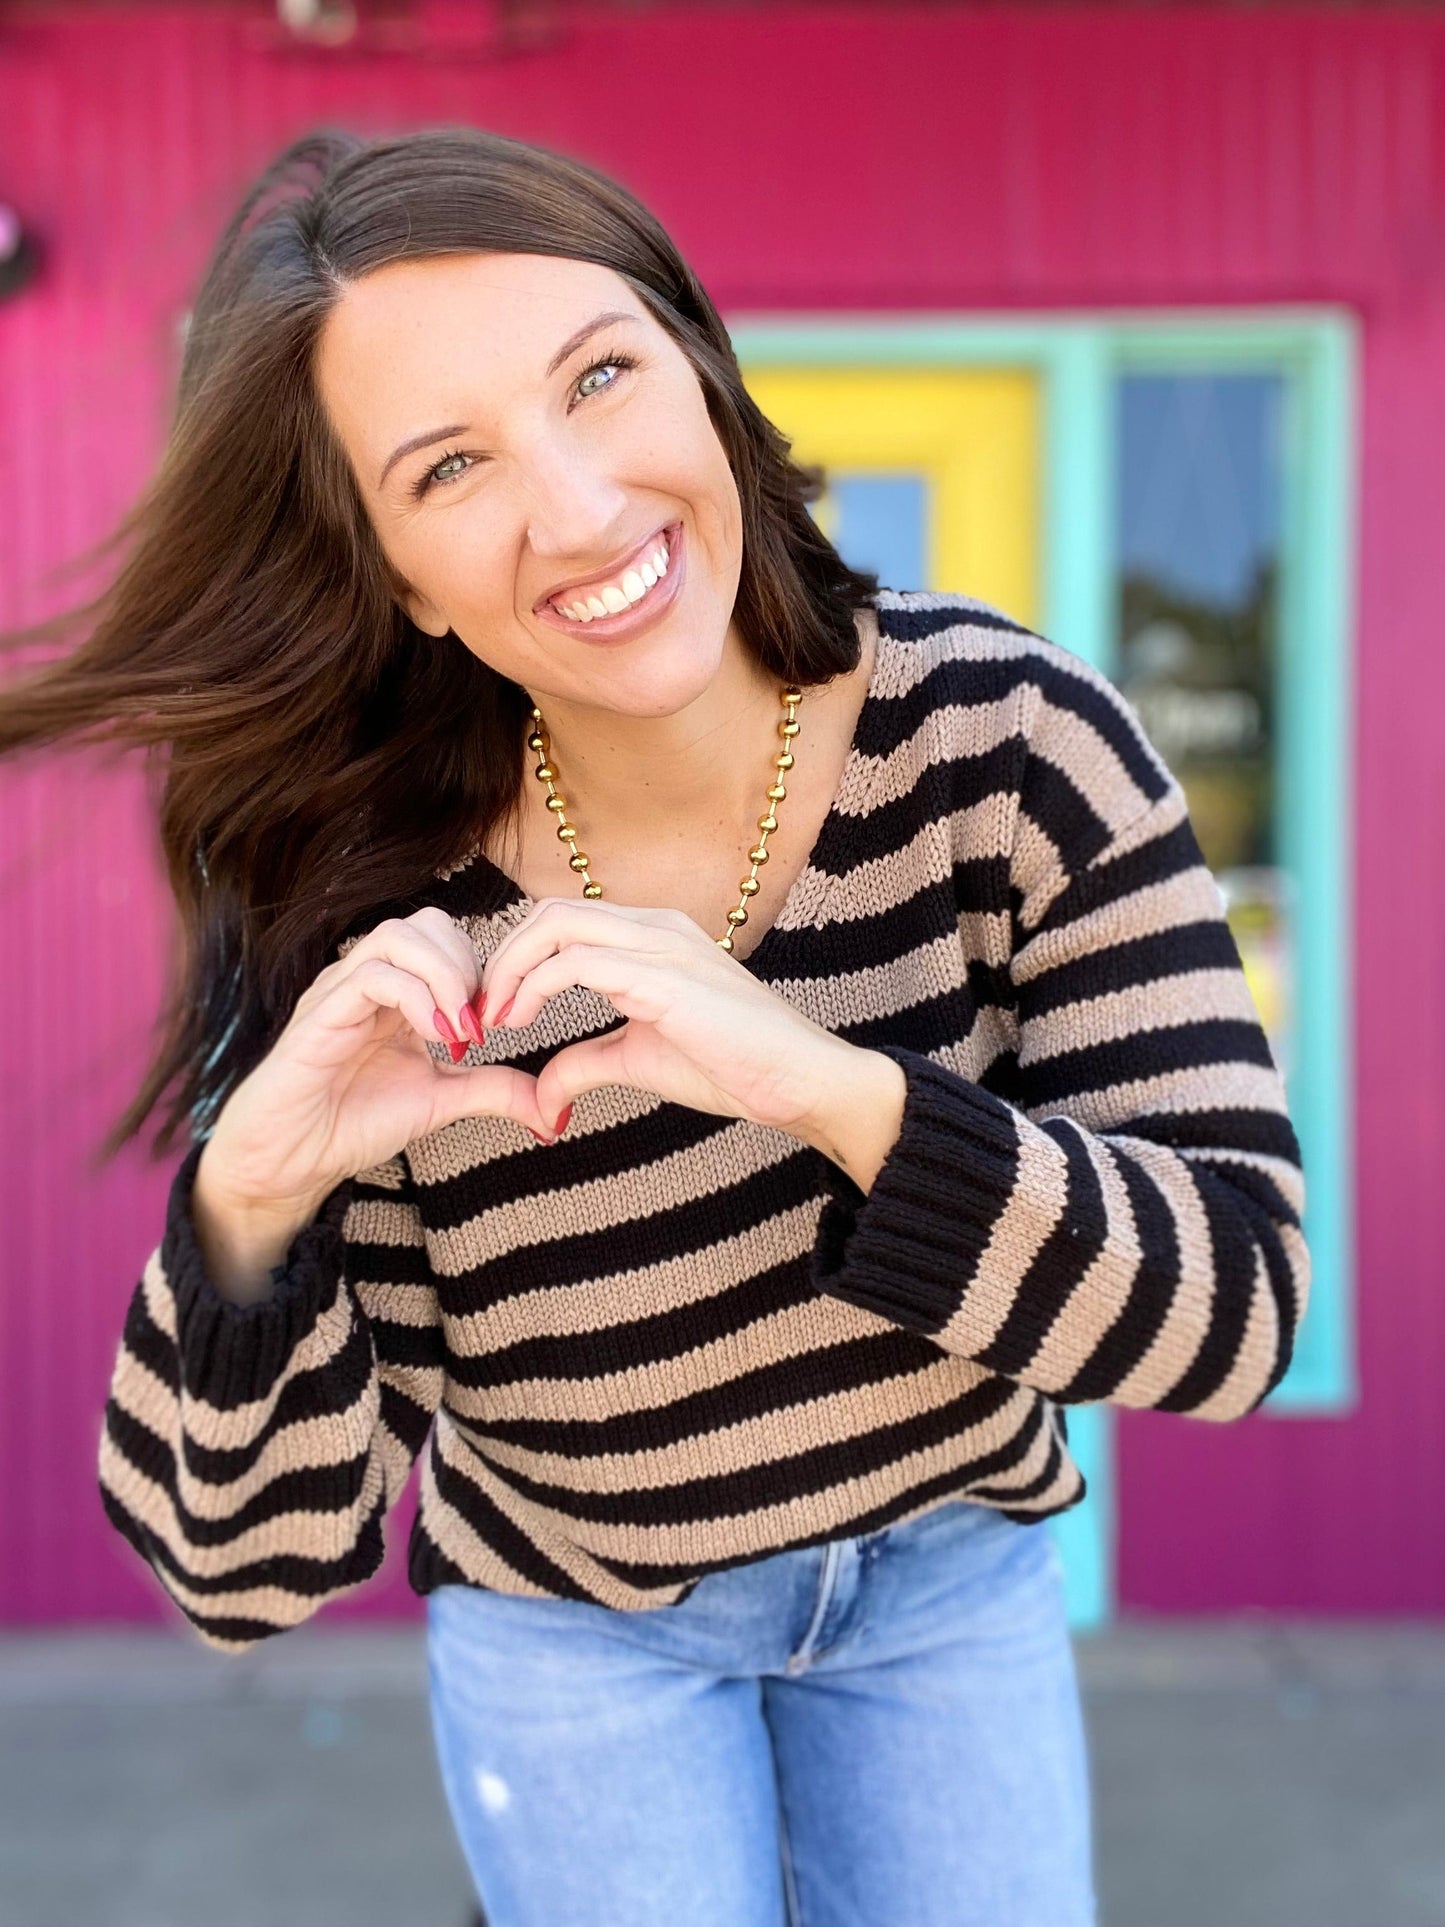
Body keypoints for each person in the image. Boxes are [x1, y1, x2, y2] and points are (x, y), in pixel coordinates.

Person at [0, 126, 1311, 1927]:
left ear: (699, 366)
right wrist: (248, 1202)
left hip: (951, 1591)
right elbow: (233, 1578)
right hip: (581, 1644)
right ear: (393, 575)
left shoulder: (1008, 744)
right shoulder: (373, 902)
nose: (581, 507)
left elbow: (1235, 1311)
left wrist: (830, 1093)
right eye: (450, 466)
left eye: (599, 377)